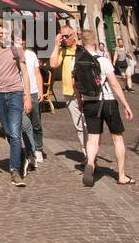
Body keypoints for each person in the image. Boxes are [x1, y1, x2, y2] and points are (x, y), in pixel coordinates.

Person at [73, 30, 134, 187]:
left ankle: (91, 163)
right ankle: (121, 176)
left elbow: (76, 84)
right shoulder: (103, 60)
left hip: (89, 103)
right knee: (117, 138)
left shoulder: (77, 61)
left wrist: (80, 100)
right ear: (94, 42)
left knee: (92, 138)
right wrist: (126, 105)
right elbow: (114, 84)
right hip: (107, 102)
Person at [0, 19, 33, 187]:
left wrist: (27, 96)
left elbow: (25, 73)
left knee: (14, 132)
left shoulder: (16, 48)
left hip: (15, 93)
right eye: (0, 32)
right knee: (7, 132)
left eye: (6, 32)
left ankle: (14, 170)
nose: (3, 35)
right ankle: (22, 155)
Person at [50, 24, 87, 159]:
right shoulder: (62, 52)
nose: (64, 39)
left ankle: (92, 152)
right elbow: (53, 64)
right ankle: (88, 156)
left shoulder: (82, 50)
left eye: (66, 36)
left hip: (85, 93)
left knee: (88, 124)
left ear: (74, 35)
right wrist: (56, 45)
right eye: (62, 36)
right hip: (69, 94)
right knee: (79, 126)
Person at [20, 38, 45, 164]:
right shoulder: (12, 54)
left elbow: (37, 73)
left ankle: (38, 148)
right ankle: (30, 151)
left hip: (34, 92)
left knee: (36, 123)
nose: (21, 42)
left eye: (23, 40)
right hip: (20, 93)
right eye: (18, 40)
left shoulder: (31, 54)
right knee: (25, 125)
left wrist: (41, 91)